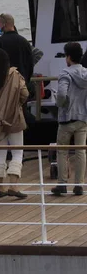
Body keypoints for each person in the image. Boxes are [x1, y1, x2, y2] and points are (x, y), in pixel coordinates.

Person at [0, 49, 29, 199]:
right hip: (13, 117)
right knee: (17, 152)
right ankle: (13, 186)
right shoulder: (13, 76)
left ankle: (0, 188)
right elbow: (25, 94)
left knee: (0, 153)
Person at [51, 42, 87, 196]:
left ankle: (62, 183)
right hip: (82, 117)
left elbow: (61, 95)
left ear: (69, 57)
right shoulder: (85, 73)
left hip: (66, 118)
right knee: (80, 151)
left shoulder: (65, 73)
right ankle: (79, 184)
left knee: (62, 151)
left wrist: (61, 104)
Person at [0, 14, 34, 87]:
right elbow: (30, 64)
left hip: (6, 84)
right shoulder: (24, 42)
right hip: (22, 84)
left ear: (4, 24)